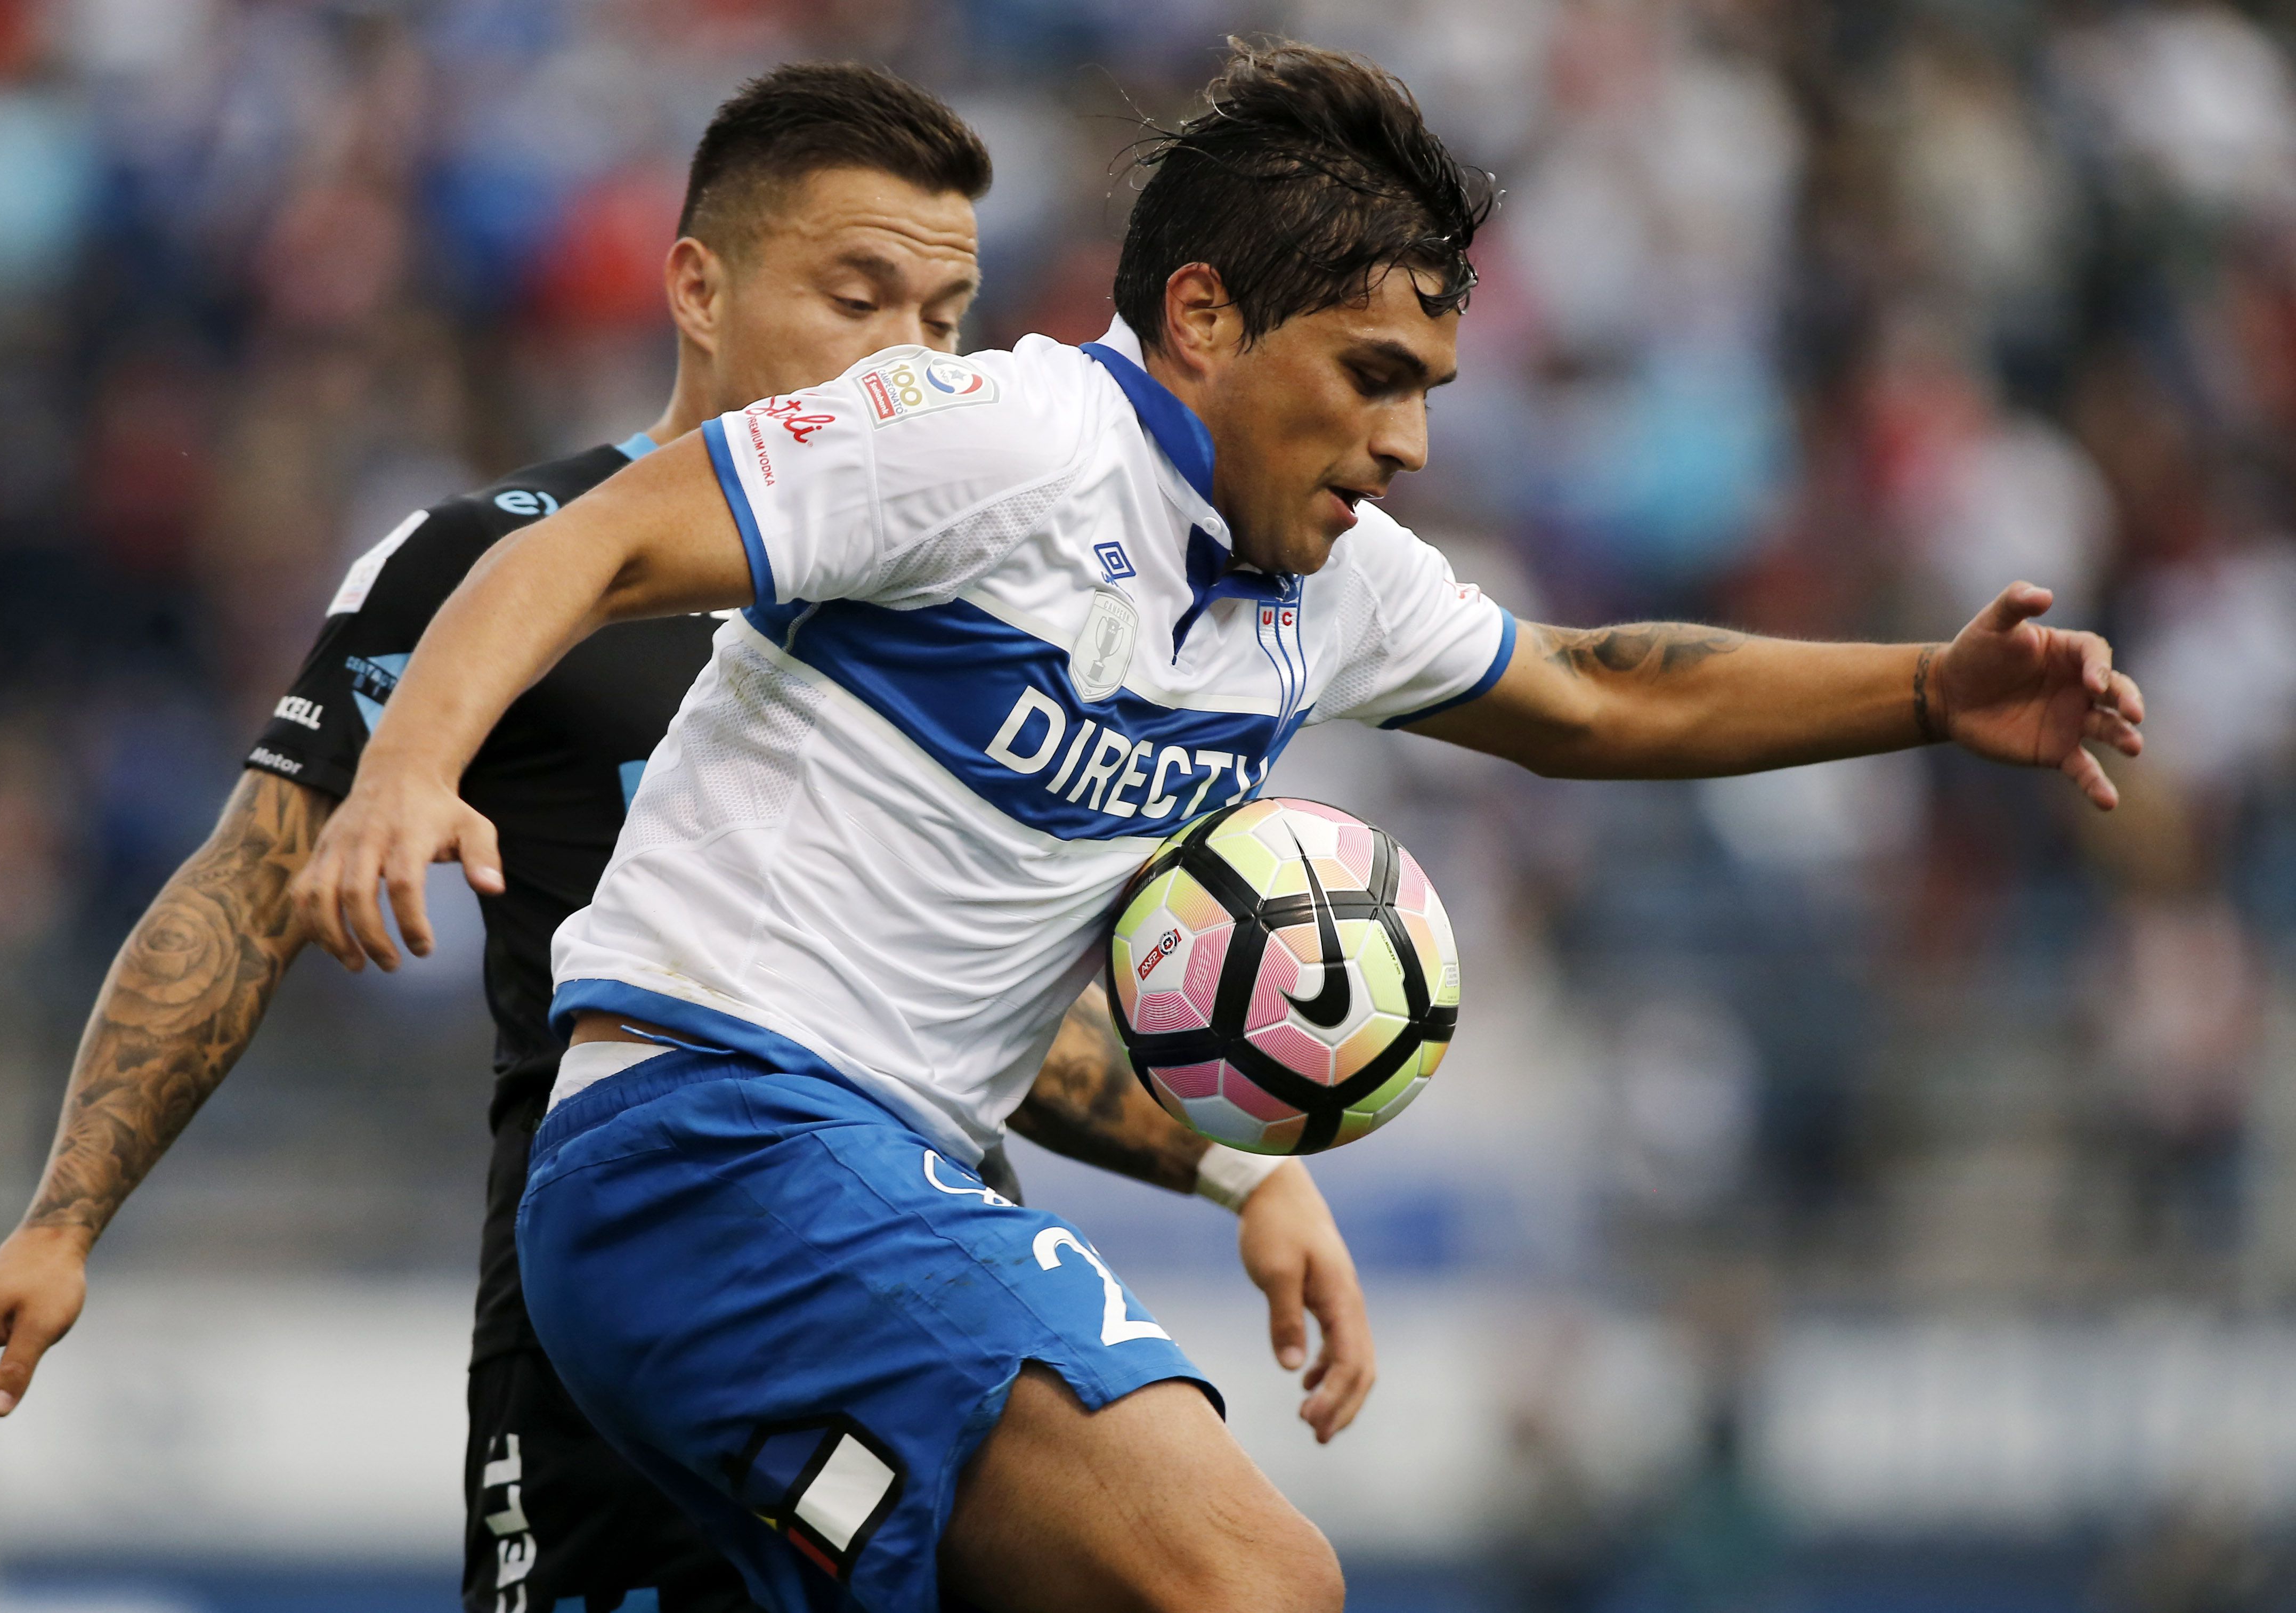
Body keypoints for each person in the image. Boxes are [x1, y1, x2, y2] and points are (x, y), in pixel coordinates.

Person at [289, 38, 2143, 1613]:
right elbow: (590, 542)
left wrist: (1923, 692)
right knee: (1253, 1580)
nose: (1406, 444)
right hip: (714, 1143)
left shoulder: (1325, 579)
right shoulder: (997, 440)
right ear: (1201, 317)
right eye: (1372, 376)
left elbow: (1596, 690)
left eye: (1426, 391)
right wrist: (404, 773)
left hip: (846, 1186)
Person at [0, 62, 1375, 1613]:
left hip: (903, 1278)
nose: (909, 356)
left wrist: (1241, 1175)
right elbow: (247, 884)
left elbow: (999, 1020)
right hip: (621, 1331)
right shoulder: (504, 564)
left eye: (945, 320)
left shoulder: (980, 596)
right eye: (858, 297)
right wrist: (63, 1222)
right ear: (697, 285)